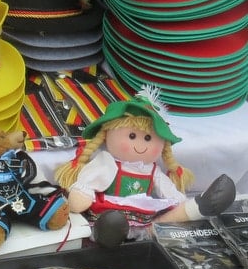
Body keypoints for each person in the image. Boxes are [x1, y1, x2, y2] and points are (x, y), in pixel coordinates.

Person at [55, 86, 236, 248]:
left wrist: (180, 202)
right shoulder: (108, 163)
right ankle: (110, 235)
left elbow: (170, 193)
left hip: (144, 220)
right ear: (107, 134)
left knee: (167, 215)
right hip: (110, 214)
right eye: (132, 136)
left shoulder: (152, 171)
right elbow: (85, 190)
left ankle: (197, 207)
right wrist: (81, 195)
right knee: (112, 223)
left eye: (148, 138)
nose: (140, 144)